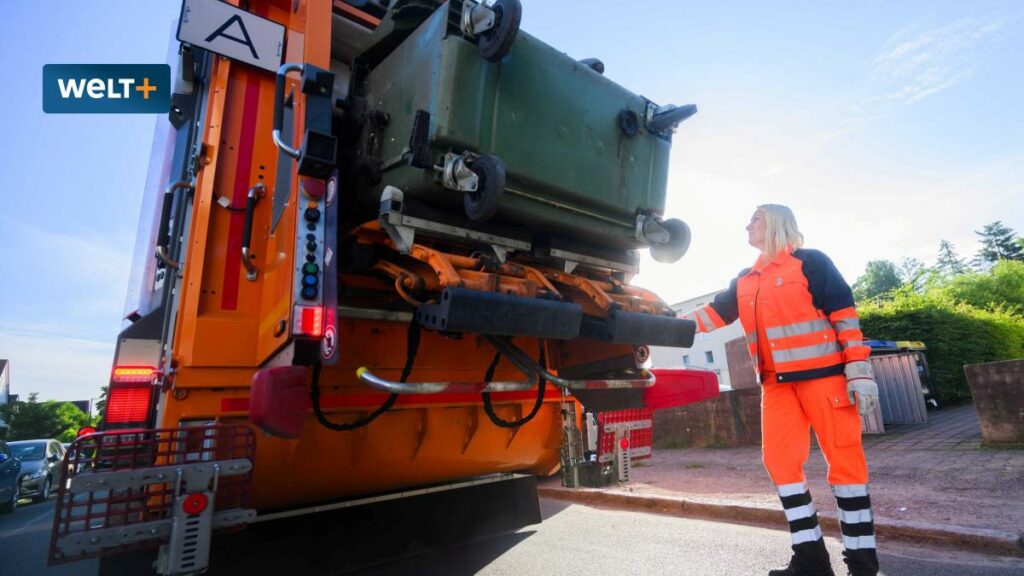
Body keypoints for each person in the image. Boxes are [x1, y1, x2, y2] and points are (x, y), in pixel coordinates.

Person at [679, 204, 880, 576]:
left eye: (754, 218)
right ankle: (811, 561)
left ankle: (863, 566)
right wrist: (663, 324)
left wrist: (859, 370)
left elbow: (845, 316)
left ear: (775, 221)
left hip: (826, 379)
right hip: (777, 388)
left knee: (846, 464)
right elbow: (709, 316)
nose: (747, 225)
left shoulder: (811, 263)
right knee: (780, 464)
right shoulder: (745, 279)